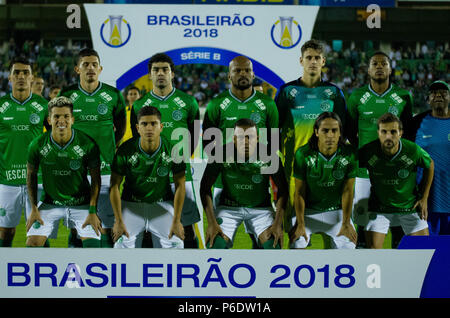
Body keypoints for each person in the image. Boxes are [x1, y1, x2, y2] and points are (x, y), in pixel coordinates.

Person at [274, 39, 348, 244]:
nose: (313, 61)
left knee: (333, 235)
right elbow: (272, 132)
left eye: (317, 58)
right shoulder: (287, 92)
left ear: (323, 61)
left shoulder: (334, 93)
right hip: (292, 173)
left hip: (327, 172)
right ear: (301, 61)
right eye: (309, 58)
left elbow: (344, 134)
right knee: (296, 235)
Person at [202, 55, 279, 248]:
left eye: (247, 70)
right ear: (229, 75)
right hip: (224, 183)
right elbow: (207, 144)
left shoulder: (268, 104)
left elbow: (274, 144)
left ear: (253, 74)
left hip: (257, 181)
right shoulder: (216, 104)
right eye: (237, 70)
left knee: (264, 241)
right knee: (218, 243)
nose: (242, 74)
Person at [130, 53, 201, 248]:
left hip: (179, 176)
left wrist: (181, 158)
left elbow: (194, 135)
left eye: (165, 70)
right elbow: (138, 142)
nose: (161, 73)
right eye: (156, 70)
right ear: (150, 75)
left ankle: (192, 273)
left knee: (187, 228)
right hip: (149, 177)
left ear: (172, 73)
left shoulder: (189, 102)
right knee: (147, 228)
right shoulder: (138, 105)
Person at [59, 48, 126, 247]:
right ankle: (76, 253)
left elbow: (120, 127)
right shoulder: (67, 94)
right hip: (75, 170)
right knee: (79, 222)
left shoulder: (113, 94)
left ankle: (105, 266)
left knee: (105, 222)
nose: (90, 68)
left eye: (94, 64)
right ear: (77, 69)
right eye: (85, 64)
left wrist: (108, 146)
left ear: (100, 68)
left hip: (106, 169)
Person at [347, 51, 414, 248]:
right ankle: (362, 257)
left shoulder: (403, 97)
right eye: (374, 63)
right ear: (368, 70)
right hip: (364, 171)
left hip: (395, 170)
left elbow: (408, 134)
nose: (379, 66)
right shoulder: (356, 97)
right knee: (362, 218)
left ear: (390, 69)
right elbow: (350, 132)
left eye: (383, 63)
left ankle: (399, 258)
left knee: (397, 218)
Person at [26, 96, 102, 247]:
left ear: (72, 119)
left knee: (93, 248)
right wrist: (34, 209)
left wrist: (93, 210)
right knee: (32, 245)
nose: (61, 120)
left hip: (82, 204)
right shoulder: (37, 145)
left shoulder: (88, 144)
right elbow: (31, 176)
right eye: (56, 116)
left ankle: (75, 243)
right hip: (50, 203)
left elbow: (96, 179)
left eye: (66, 116)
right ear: (49, 120)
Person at [200, 118, 288, 249]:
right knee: (215, 245)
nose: (245, 142)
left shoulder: (269, 156)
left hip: (261, 209)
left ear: (257, 138)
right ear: (234, 139)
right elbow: (205, 187)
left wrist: (277, 223)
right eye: (240, 137)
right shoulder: (220, 154)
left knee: (273, 246)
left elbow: (283, 190)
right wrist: (212, 223)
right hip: (228, 208)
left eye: (250, 137)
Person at [110, 106, 185, 248]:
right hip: (131, 204)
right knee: (121, 247)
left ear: (161, 127)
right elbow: (114, 185)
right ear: (138, 128)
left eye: (153, 124)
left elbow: (180, 184)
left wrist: (177, 220)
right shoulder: (126, 149)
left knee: (176, 244)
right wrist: (118, 221)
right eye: (144, 124)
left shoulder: (173, 150)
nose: (149, 128)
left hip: (162, 204)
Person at [359, 113, 433, 249]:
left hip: (409, 207)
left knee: (424, 251)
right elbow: (353, 172)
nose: (388, 136)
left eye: (393, 132)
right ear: (378, 133)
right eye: (384, 132)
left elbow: (430, 164)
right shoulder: (367, 151)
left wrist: (424, 197)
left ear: (400, 133)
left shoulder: (412, 150)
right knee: (372, 254)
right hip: (379, 208)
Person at [289, 112, 357, 249]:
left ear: (340, 133)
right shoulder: (303, 154)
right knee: (297, 244)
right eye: (325, 130)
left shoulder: (350, 154)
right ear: (316, 132)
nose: (330, 135)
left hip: (336, 213)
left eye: (334, 130)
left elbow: (348, 191)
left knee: (348, 248)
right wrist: (300, 224)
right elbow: (299, 192)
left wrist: (346, 223)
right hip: (308, 212)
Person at [0, 56, 49, 247]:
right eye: (16, 73)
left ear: (32, 78)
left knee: (38, 233)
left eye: (25, 73)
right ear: (10, 78)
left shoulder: (43, 106)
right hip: (6, 181)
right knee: (5, 232)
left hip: (37, 181)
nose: (21, 76)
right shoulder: (1, 105)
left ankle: (41, 273)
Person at [410, 80, 449, 235]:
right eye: (433, 93)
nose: (438, 95)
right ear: (427, 99)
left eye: (443, 92)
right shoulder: (416, 123)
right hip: (425, 202)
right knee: (427, 253)